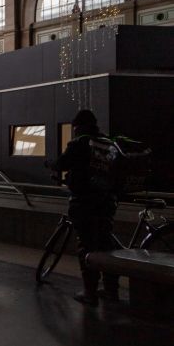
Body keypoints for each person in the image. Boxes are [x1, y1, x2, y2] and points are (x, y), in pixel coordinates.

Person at [50, 109, 119, 306]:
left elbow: (61, 163)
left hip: (84, 203)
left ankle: (89, 292)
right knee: (106, 245)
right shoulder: (107, 143)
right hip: (107, 202)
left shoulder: (80, 143)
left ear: (78, 126)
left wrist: (50, 164)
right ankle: (110, 290)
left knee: (86, 246)